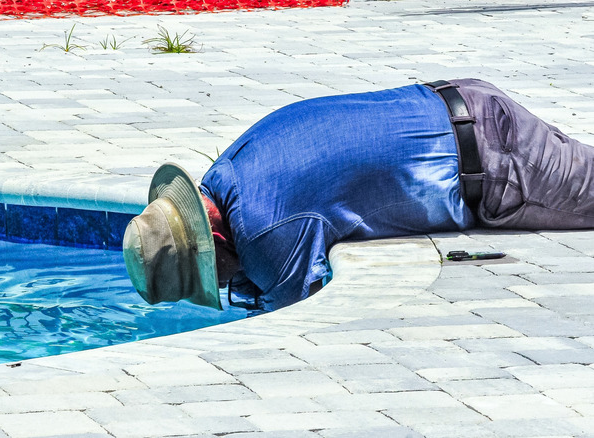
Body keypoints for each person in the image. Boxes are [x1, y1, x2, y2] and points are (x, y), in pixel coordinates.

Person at [122, 78, 594, 313]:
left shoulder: (262, 233)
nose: (223, 283)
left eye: (212, 277)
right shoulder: (228, 171)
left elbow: (294, 322)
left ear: (217, 247)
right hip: (462, 104)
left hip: (496, 162)